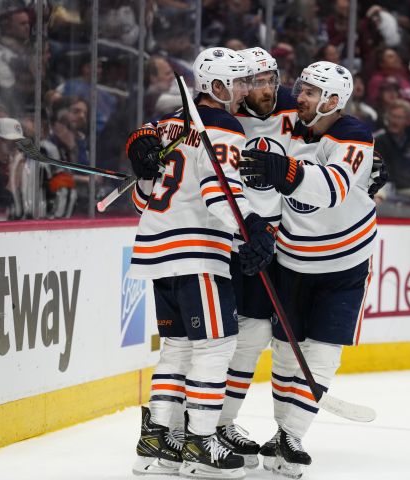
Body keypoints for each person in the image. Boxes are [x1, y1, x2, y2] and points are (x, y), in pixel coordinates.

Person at [127, 47, 275, 479]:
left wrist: (140, 161)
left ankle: (157, 440)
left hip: (156, 250)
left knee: (177, 348)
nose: (245, 89)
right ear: (216, 85)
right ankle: (200, 444)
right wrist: (254, 228)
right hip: (196, 252)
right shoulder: (223, 124)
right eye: (239, 82)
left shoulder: (168, 124)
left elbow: (143, 196)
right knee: (215, 347)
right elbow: (220, 191)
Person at [240, 61, 376, 478]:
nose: (298, 97)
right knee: (285, 346)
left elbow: (333, 188)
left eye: (310, 93)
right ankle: (283, 431)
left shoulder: (353, 134)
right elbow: (234, 101)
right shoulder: (290, 121)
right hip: (293, 259)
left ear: (333, 101)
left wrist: (287, 170)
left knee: (323, 351)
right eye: (299, 89)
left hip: (346, 261)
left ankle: (292, 434)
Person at [217, 47, 299, 470]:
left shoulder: (292, 113)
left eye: (271, 80)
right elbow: (177, 127)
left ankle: (223, 423)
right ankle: (189, 426)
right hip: (227, 241)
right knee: (215, 341)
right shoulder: (223, 115)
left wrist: (372, 164)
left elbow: (333, 142)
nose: (267, 89)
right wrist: (150, 139)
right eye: (257, 82)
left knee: (253, 338)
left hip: (273, 243)